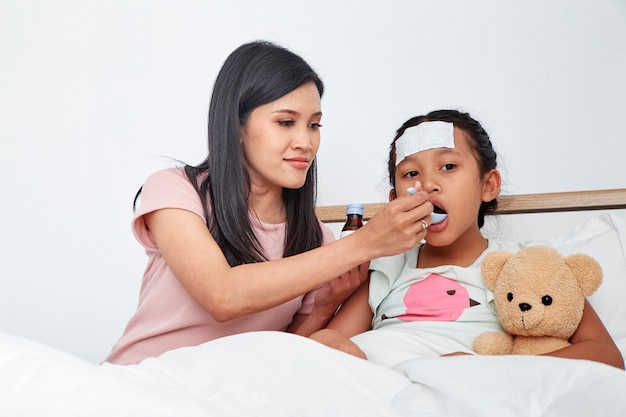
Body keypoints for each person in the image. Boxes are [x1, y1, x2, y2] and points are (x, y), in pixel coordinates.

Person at [103, 41, 434, 365]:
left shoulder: (317, 239)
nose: (305, 142)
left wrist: (322, 306)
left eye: (314, 125)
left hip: (222, 396)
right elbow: (222, 296)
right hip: (140, 383)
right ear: (236, 127)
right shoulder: (174, 189)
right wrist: (365, 243)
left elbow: (281, 353)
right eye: (286, 122)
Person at [311, 109, 624, 369]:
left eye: (448, 166)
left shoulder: (529, 265)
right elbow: (328, 343)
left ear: (488, 185)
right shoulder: (386, 267)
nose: (428, 184)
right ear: (395, 200)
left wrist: (486, 371)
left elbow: (605, 356)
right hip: (384, 381)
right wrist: (328, 342)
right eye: (411, 174)